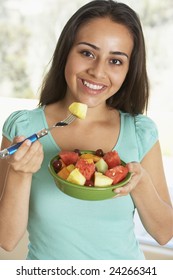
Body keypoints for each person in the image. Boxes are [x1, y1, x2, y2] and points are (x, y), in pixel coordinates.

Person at [0, 0, 173, 260]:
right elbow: (7, 239)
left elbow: (164, 233)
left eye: (115, 61)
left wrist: (141, 183)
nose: (97, 71)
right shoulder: (24, 128)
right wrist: (19, 173)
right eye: (87, 53)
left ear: (128, 70)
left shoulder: (139, 132)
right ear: (66, 52)